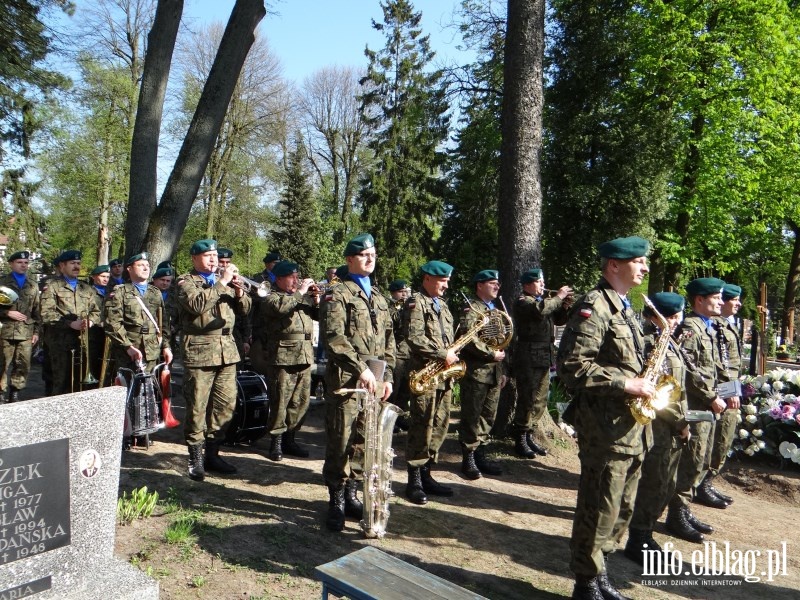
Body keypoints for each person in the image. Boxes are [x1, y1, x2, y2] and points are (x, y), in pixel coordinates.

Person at [556, 236, 653, 600]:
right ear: (614, 265)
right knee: (599, 506)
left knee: (621, 508)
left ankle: (600, 574)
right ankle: (586, 582)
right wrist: (627, 382)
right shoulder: (594, 306)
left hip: (632, 429)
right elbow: (572, 366)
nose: (644, 267)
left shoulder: (626, 308)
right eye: (639, 261)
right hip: (605, 429)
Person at [322, 233, 394, 532]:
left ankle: (352, 494)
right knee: (342, 440)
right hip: (348, 380)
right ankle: (336, 499)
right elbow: (334, 338)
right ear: (350, 259)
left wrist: (387, 377)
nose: (370, 258)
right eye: (364, 254)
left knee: (365, 442)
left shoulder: (378, 297)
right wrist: (360, 368)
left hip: (374, 382)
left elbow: (390, 341)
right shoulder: (337, 294)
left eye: (373, 254)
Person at [623, 292, 691, 565]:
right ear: (655, 317)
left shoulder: (669, 341)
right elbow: (660, 392)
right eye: (671, 317)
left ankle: (645, 533)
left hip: (670, 424)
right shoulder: (653, 342)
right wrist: (681, 421)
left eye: (677, 316)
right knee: (654, 482)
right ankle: (638, 538)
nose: (675, 322)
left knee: (664, 482)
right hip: (660, 424)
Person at [177, 239, 252, 481]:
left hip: (227, 351)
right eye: (208, 255)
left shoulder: (226, 282)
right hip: (199, 350)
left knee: (224, 405)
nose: (213, 259)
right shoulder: (186, 281)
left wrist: (240, 291)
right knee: (198, 405)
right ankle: (195, 458)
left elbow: (245, 309)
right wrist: (221, 283)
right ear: (194, 258)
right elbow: (196, 304)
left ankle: (213, 452)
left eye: (215, 255)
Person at [667, 277, 728, 543]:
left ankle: (684, 507)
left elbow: (711, 368)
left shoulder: (708, 327)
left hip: (707, 407)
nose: (722, 303)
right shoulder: (690, 327)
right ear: (700, 300)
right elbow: (689, 370)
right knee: (690, 461)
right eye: (716, 298)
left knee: (701, 460)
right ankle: (676, 514)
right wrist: (712, 396)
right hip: (695, 406)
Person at [404, 260, 457, 506]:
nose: (446, 286)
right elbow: (413, 337)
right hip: (424, 374)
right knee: (422, 425)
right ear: (427, 278)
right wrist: (441, 355)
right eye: (442, 281)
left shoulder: (443, 306)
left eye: (447, 281)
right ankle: (414, 478)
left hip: (443, 376)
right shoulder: (415, 303)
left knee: (440, 424)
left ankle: (427, 473)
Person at [258, 260, 319, 460]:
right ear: (280, 279)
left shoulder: (301, 297)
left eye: (297, 276)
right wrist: (300, 292)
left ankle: (290, 438)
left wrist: (317, 300)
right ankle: (275, 441)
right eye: (292, 277)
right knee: (280, 400)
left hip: (305, 354)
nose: (296, 280)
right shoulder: (271, 296)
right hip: (283, 356)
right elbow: (280, 309)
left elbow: (320, 316)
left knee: (300, 402)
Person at [511, 268, 571, 458]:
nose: (543, 285)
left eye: (543, 282)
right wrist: (559, 296)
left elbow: (558, 318)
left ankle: (529, 435)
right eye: (539, 282)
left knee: (540, 398)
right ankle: (520, 437)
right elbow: (541, 310)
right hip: (528, 355)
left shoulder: (541, 301)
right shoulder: (524, 302)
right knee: (527, 397)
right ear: (527, 285)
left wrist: (565, 305)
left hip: (544, 355)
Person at [458, 270, 507, 480]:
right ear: (480, 285)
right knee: (472, 415)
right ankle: (468, 456)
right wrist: (490, 354)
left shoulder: (495, 310)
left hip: (494, 372)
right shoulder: (472, 309)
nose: (497, 287)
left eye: (498, 283)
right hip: (477, 372)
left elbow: (503, 341)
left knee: (488, 415)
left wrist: (503, 370)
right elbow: (467, 339)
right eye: (492, 283)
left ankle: (480, 452)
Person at [40, 250, 102, 395]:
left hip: (83, 343)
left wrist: (91, 321)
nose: (76, 266)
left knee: (82, 383)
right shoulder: (52, 287)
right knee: (61, 383)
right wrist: (69, 324)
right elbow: (46, 314)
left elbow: (97, 311)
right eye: (72, 263)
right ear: (62, 265)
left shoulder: (87, 288)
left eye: (78, 263)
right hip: (60, 344)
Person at [704, 283, 743, 504]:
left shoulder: (728, 325)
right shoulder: (717, 326)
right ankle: (701, 484)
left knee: (724, 438)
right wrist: (730, 391)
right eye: (734, 299)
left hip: (730, 390)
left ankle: (707, 482)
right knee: (718, 438)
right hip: (721, 391)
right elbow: (721, 364)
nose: (738, 303)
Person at [104, 252, 173, 374]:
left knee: (151, 390)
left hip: (152, 351)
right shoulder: (120, 292)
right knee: (129, 389)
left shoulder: (155, 292)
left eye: (147, 265)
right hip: (129, 352)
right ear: (129, 269)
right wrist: (127, 346)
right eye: (141, 265)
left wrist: (166, 346)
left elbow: (163, 322)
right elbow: (112, 323)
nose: (146, 268)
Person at [0, 251, 41, 402]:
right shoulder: (2, 282)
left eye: (26, 263)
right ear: (11, 264)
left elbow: (37, 310)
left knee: (23, 364)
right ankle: (0, 392)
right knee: (2, 363)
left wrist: (36, 331)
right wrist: (7, 313)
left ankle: (15, 392)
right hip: (5, 330)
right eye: (19, 262)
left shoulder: (33, 285)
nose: (23, 265)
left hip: (26, 331)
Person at [218, 247, 251, 365]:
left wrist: (239, 292)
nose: (225, 265)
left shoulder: (235, 281)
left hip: (235, 335)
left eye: (228, 262)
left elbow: (245, 313)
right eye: (221, 262)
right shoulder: (212, 282)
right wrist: (224, 281)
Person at [387, 279, 412, 428]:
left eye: (406, 292)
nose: (404, 294)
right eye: (401, 292)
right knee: (393, 390)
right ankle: (389, 419)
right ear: (393, 293)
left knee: (406, 390)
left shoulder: (409, 306)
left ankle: (399, 416)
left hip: (409, 353)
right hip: (396, 353)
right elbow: (396, 322)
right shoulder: (389, 307)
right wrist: (404, 309)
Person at [88, 264, 110, 385]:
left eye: (107, 276)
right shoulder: (87, 291)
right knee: (93, 363)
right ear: (94, 277)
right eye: (102, 276)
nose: (105, 279)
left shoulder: (111, 292)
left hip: (107, 334)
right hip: (93, 334)